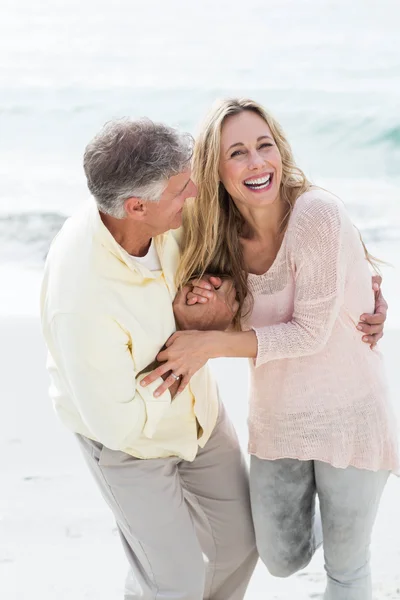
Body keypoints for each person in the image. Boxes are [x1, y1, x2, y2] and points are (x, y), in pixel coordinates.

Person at [140, 98, 398, 600]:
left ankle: (350, 529)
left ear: (281, 149)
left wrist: (207, 345)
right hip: (280, 422)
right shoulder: (213, 233)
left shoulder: (316, 214)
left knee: (346, 570)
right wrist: (197, 311)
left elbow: (309, 333)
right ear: (215, 169)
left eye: (265, 145)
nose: (258, 163)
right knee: (281, 557)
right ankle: (342, 522)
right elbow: (183, 297)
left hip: (351, 414)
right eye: (237, 153)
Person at [40, 118, 258, 600]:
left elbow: (240, 254)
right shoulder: (81, 298)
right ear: (137, 206)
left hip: (199, 416)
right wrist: (188, 341)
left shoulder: (164, 218)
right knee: (173, 582)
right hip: (126, 444)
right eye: (182, 189)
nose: (196, 192)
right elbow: (120, 427)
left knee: (240, 544)